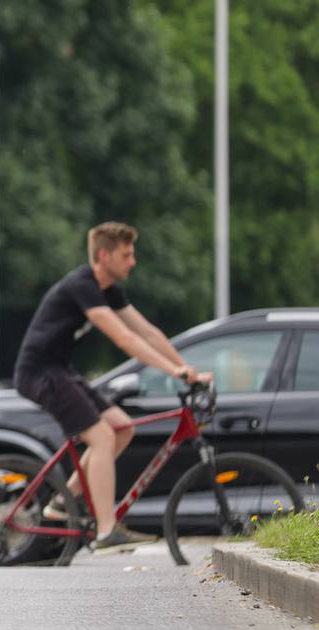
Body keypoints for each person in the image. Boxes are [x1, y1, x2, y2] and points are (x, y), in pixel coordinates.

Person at [11, 222, 211, 553]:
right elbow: (124, 338)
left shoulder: (108, 290)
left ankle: (63, 501)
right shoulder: (82, 285)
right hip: (40, 374)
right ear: (103, 256)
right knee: (102, 436)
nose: (133, 262)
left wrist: (187, 369)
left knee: (122, 427)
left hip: (60, 370)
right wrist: (174, 371)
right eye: (126, 254)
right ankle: (106, 531)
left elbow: (147, 331)